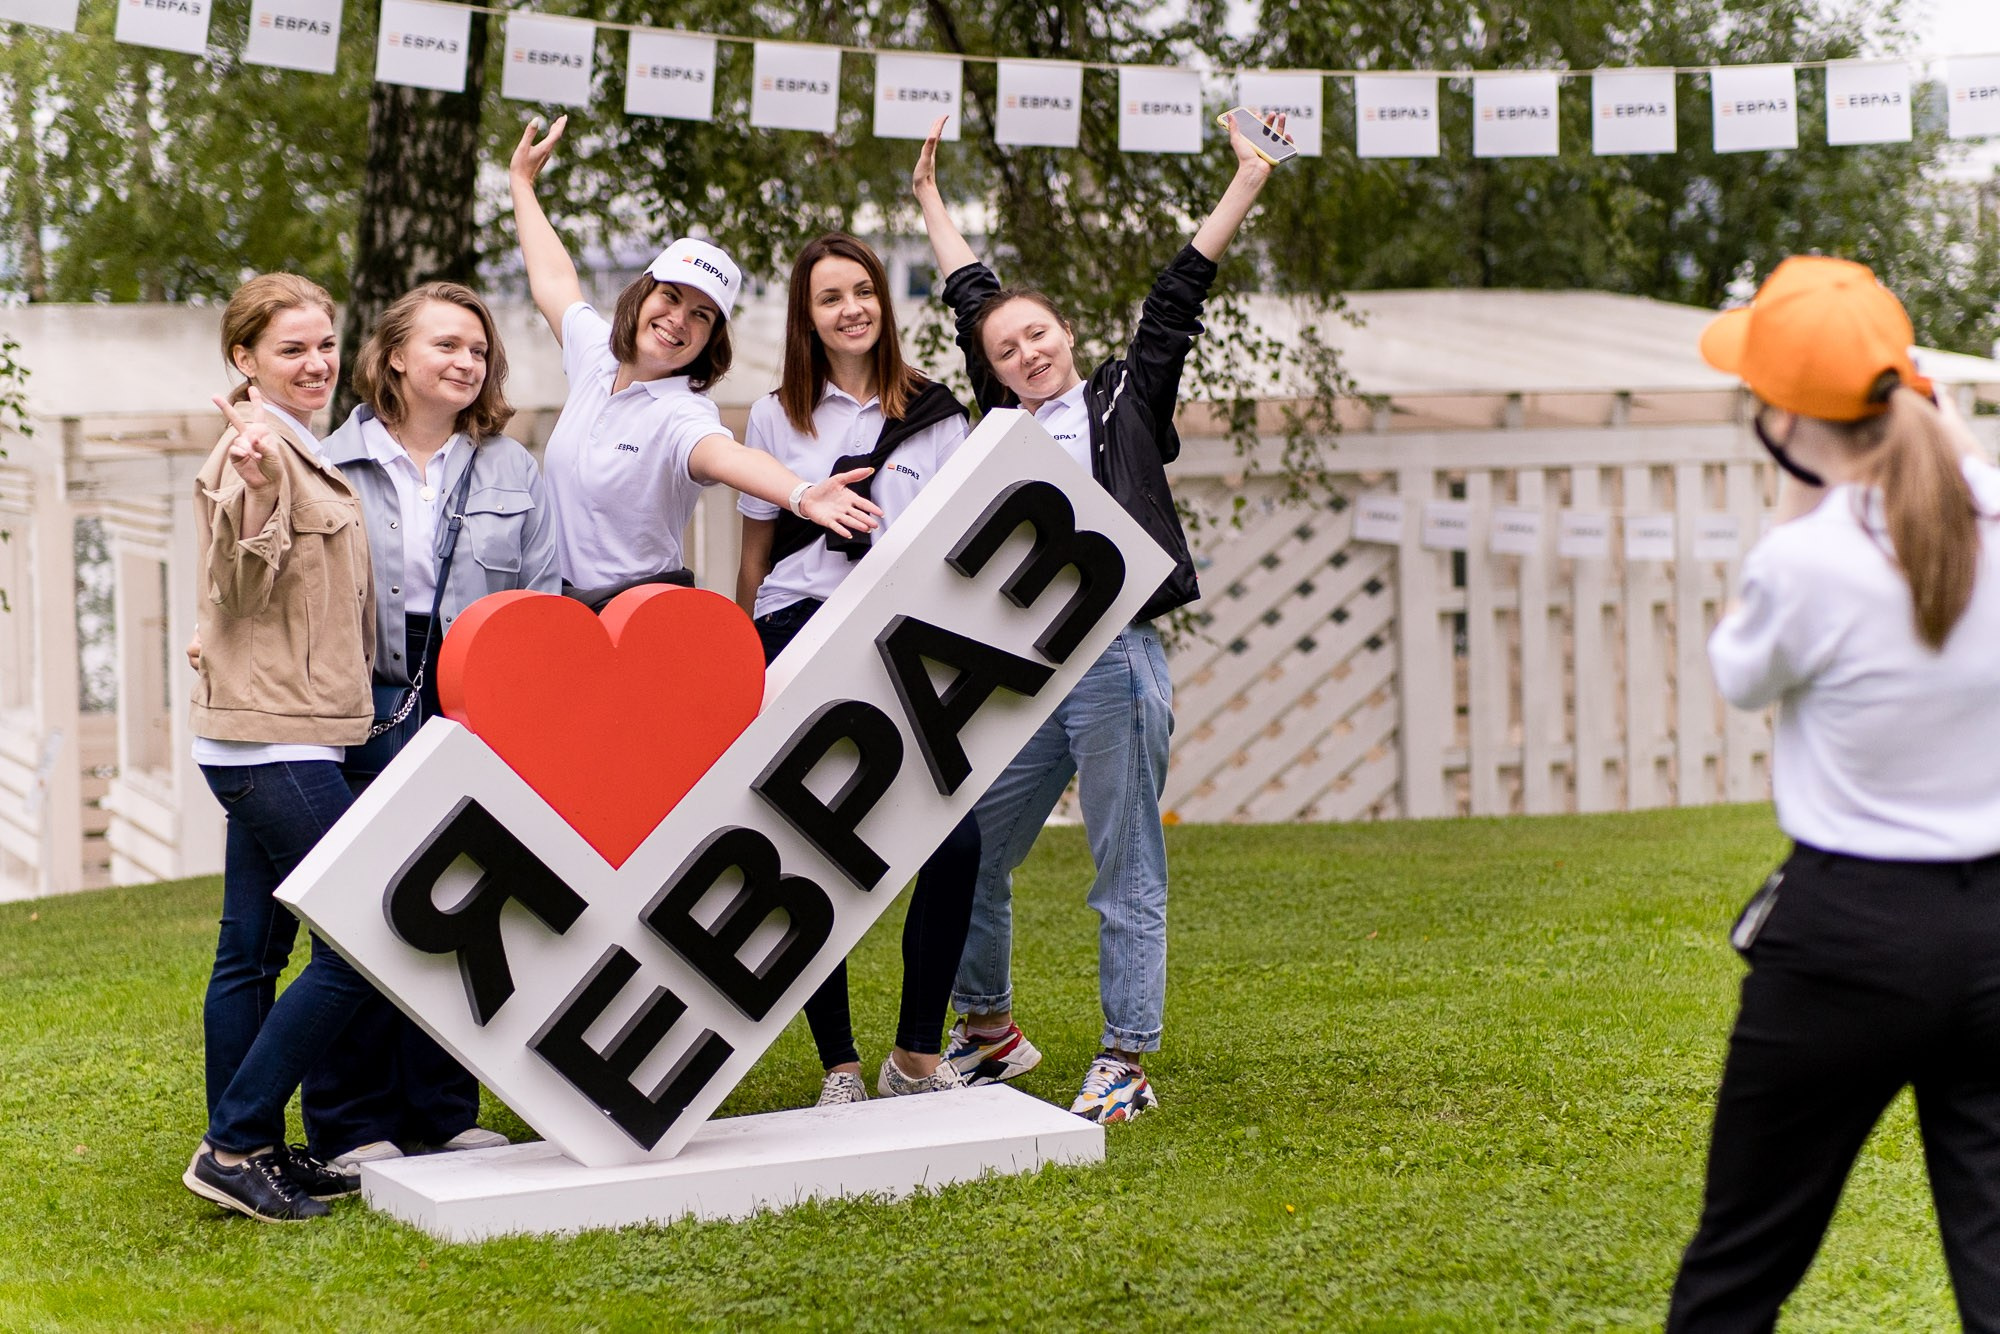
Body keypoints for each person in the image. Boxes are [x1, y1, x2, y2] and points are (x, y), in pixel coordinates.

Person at [911, 112, 1287, 1122]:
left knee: (1123, 866)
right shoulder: (999, 430)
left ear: (1064, 335)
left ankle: (1127, 1059)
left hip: (1115, 661)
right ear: (991, 368)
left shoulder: (1122, 395)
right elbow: (969, 295)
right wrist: (929, 205)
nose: (1024, 348)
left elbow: (1175, 299)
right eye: (1005, 346)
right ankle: (988, 1032)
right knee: (969, 847)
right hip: (1024, 671)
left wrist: (1245, 179)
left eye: (1036, 333)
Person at [1668, 256, 2000, 1330]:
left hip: (1846, 936)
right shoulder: (1989, 510)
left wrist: (1796, 502)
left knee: (1740, 1261)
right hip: (1991, 928)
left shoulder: (1802, 560)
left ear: (1778, 417)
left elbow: (1737, 675)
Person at [301, 282, 560, 1180]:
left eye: (479, 351)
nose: (466, 362)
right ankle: (346, 1121)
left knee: (458, 900)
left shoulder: (511, 469)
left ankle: (443, 1111)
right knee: (362, 904)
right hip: (364, 702)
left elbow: (543, 597)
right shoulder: (334, 464)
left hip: (476, 697)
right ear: (396, 355)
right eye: (447, 344)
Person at [734, 233, 976, 1106]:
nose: (851, 308)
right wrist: (748, 659)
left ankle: (915, 1056)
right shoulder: (774, 417)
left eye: (864, 289)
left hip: (907, 643)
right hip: (799, 633)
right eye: (831, 296)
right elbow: (757, 550)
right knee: (811, 850)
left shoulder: (940, 414)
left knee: (955, 841)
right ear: (807, 316)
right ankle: (838, 1063)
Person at [183, 273, 375, 1221]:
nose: (315, 363)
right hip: (274, 744)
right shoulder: (251, 455)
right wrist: (258, 493)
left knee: (251, 954)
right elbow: (241, 586)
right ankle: (235, 1139)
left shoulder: (303, 447)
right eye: (290, 349)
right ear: (245, 361)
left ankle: (247, 1148)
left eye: (324, 344)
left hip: (273, 732)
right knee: (365, 933)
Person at [507, 115, 881, 600]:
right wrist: (521, 184)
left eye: (702, 314)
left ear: (712, 339)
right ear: (641, 295)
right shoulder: (595, 355)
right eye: (670, 296)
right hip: (559, 607)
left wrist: (803, 494)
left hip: (636, 616)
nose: (679, 319)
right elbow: (555, 281)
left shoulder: (682, 411)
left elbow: (729, 456)